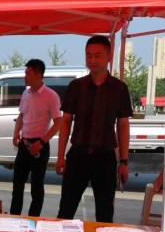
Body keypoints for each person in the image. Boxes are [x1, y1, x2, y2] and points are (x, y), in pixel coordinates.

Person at [56, 35, 133, 222]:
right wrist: (60, 156)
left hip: (105, 158)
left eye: (97, 55)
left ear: (109, 57)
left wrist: (124, 161)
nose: (92, 60)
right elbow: (65, 121)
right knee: (65, 211)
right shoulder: (76, 87)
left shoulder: (119, 88)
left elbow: (123, 125)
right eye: (88, 55)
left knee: (105, 215)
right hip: (77, 156)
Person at [10, 59, 61, 216]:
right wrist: (16, 133)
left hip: (39, 146)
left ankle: (33, 220)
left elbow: (58, 123)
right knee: (17, 185)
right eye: (25, 73)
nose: (25, 76)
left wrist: (42, 142)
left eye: (28, 73)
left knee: (36, 188)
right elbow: (21, 116)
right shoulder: (26, 93)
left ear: (38, 75)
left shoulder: (51, 96)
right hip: (24, 144)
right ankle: (13, 219)